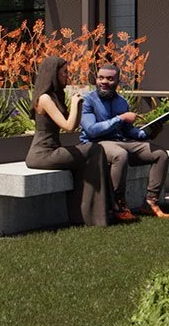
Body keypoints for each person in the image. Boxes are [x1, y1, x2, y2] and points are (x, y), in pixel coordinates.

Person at [24, 56, 110, 227]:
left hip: (53, 151)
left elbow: (74, 124)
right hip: (42, 154)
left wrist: (77, 107)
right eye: (64, 73)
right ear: (53, 74)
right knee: (94, 150)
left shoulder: (55, 96)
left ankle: (90, 213)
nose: (67, 76)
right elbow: (68, 127)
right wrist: (74, 104)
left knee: (91, 152)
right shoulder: (44, 99)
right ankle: (95, 215)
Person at [80, 63, 169, 221]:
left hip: (120, 141)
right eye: (101, 78)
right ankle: (118, 205)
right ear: (96, 79)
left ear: (117, 81)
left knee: (160, 154)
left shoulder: (122, 102)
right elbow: (92, 130)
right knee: (120, 154)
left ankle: (150, 202)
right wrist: (120, 118)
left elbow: (129, 132)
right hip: (95, 144)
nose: (104, 82)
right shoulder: (87, 101)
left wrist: (149, 131)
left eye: (109, 79)